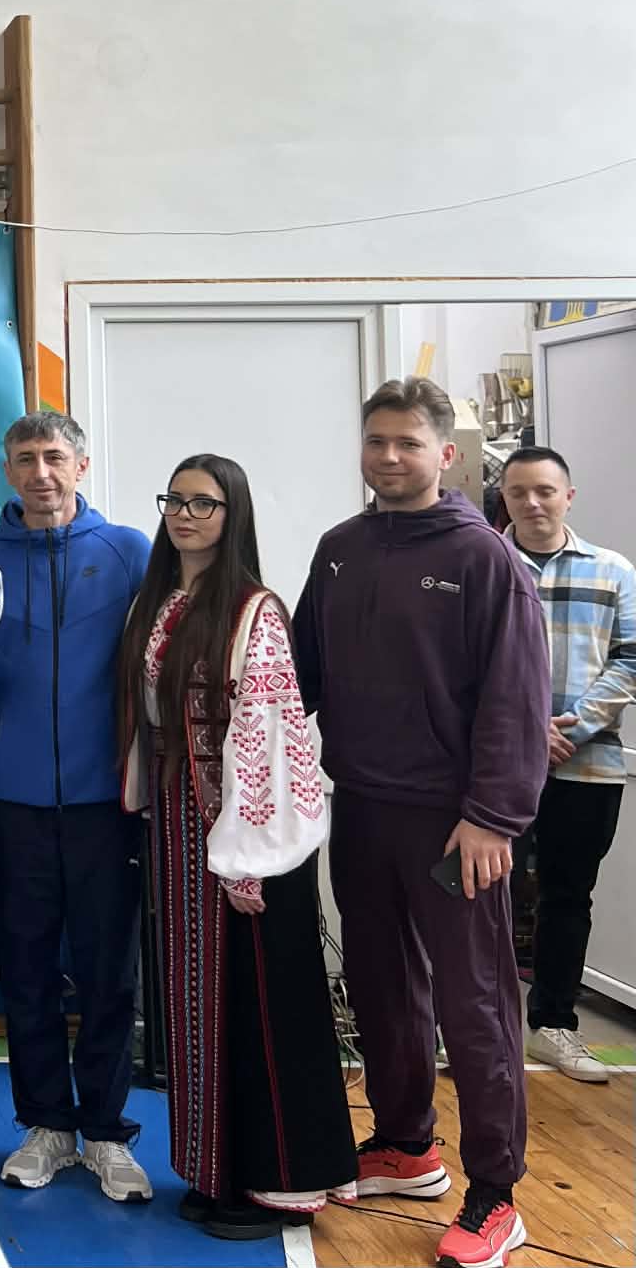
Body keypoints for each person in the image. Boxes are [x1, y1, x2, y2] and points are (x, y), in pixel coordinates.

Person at [293, 379, 550, 1268]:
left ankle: (497, 1194)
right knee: (380, 986)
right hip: (361, 808)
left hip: (455, 825)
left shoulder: (484, 558)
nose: (389, 456)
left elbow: (516, 700)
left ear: (446, 453)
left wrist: (492, 817)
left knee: (474, 1004)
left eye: (408, 442)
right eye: (377, 440)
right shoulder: (339, 549)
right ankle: (406, 1144)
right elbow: (300, 676)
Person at [117, 456, 356, 1240]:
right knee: (195, 1002)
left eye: (204, 502)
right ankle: (215, 1166)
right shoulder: (158, 601)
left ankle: (276, 1178)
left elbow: (269, 731)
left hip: (251, 830)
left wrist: (248, 849)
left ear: (233, 513)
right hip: (180, 822)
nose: (185, 513)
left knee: (257, 1006)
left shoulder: (256, 609)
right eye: (175, 499)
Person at [0, 409, 154, 1202]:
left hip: (108, 801)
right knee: (26, 968)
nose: (41, 471)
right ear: (8, 471)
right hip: (16, 799)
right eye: (26, 458)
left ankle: (104, 1130)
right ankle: (46, 1125)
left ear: (81, 465)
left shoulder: (130, 551)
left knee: (108, 971)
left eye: (54, 456)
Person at [498, 446, 636, 1084]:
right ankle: (480, 1025)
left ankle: (553, 1024)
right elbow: (457, 664)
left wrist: (571, 727)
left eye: (545, 491)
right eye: (518, 491)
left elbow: (631, 659)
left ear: (568, 496)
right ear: (504, 498)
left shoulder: (613, 571)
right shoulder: (484, 565)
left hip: (586, 765)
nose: (532, 503)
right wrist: (526, 733)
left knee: (567, 895)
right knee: (479, 894)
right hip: (495, 766)